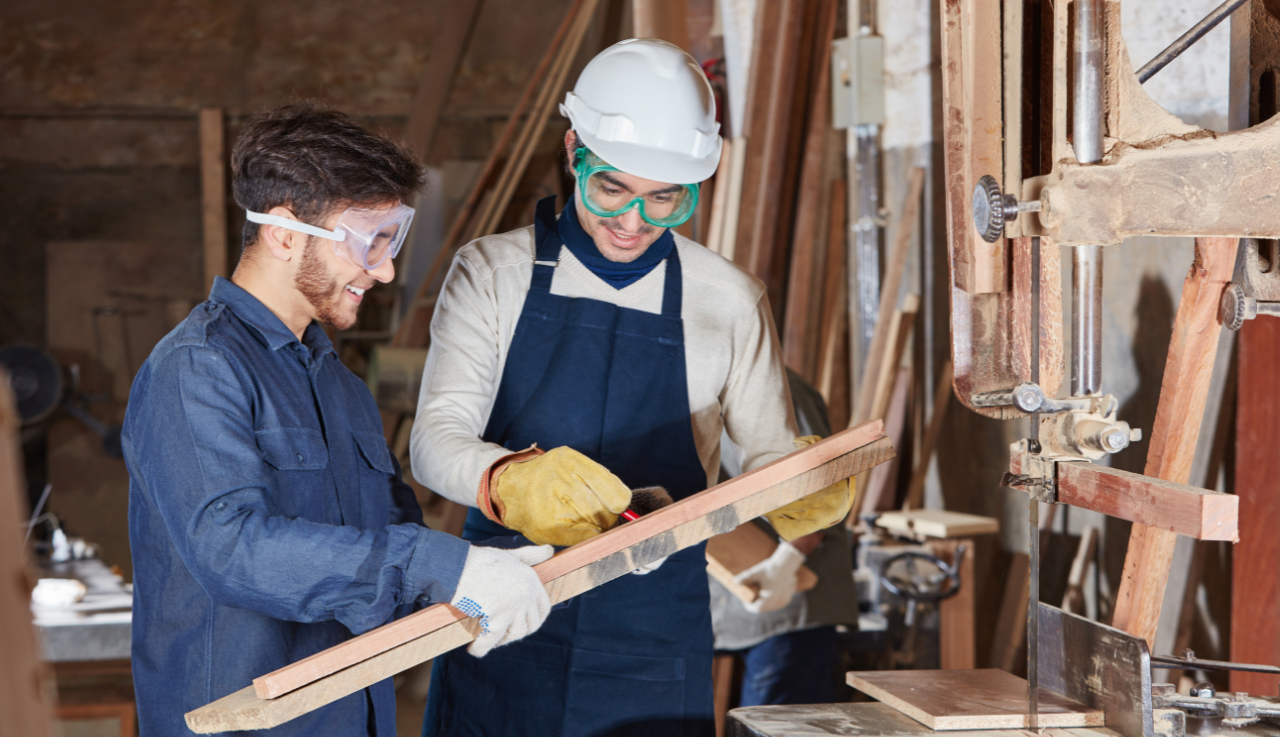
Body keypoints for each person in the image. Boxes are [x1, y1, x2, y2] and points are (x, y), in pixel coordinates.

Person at [411, 39, 856, 736]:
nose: (631, 222)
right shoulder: (492, 272)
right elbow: (434, 442)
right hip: (508, 600)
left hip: (653, 626)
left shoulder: (728, 298)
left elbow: (768, 452)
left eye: (663, 200)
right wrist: (511, 480)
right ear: (572, 151)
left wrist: (800, 484)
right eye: (610, 188)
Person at [123, 105, 553, 736]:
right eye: (368, 241)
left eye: (391, 239)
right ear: (285, 233)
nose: (384, 269)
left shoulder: (340, 384)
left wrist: (494, 574)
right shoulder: (196, 369)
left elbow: (390, 534)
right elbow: (231, 547)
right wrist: (438, 566)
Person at [711, 369, 860, 707]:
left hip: (791, 588)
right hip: (738, 588)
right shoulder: (700, 389)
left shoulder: (778, 388)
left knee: (776, 723)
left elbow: (822, 484)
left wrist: (787, 561)